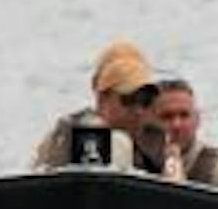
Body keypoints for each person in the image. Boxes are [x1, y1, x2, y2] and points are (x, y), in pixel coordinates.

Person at [29, 40, 181, 178]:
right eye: (129, 100)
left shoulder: (157, 139)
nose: (138, 110)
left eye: (145, 101)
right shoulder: (72, 132)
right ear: (102, 99)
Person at [141, 78, 218, 198]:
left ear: (197, 120)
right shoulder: (132, 161)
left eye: (184, 115)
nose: (176, 125)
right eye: (166, 117)